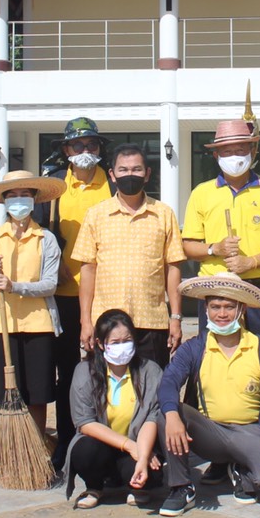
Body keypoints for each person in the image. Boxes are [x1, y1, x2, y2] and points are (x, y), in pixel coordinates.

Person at [158, 274, 260, 516]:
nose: (222, 314)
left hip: (250, 432)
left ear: (241, 309)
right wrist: (172, 416)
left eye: (229, 307)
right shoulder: (195, 347)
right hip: (208, 432)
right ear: (206, 310)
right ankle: (181, 487)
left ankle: (244, 471)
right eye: (215, 307)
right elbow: (168, 381)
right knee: (167, 413)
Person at [70, 144, 186, 368]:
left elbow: (172, 268)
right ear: (112, 175)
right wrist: (85, 320)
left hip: (151, 322)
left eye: (136, 169)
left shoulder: (163, 214)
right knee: (107, 394)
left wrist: (176, 317)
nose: (129, 175)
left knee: (152, 392)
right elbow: (88, 270)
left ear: (147, 174)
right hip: (106, 323)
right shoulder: (96, 215)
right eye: (123, 170)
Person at [0, 169, 66, 440]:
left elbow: (50, 283)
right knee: (8, 393)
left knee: (38, 393)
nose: (18, 200)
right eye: (12, 195)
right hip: (3, 324)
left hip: (39, 324)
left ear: (34, 199)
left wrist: (16, 286)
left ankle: (36, 446)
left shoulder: (46, 239)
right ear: (3, 202)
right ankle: (12, 446)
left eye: (24, 194)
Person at [181, 118, 260, 341]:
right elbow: (188, 247)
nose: (234, 157)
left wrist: (251, 262)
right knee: (212, 359)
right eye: (227, 151)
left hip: (257, 289)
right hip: (216, 290)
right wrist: (215, 249)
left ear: (252, 151)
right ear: (216, 156)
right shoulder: (201, 193)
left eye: (240, 150)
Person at [44, 117, 113, 473]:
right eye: (78, 146)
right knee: (66, 372)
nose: (85, 152)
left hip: (105, 294)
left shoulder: (113, 184)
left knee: (105, 367)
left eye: (91, 145)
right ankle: (66, 437)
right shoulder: (53, 187)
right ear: (66, 150)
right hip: (61, 294)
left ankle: (106, 435)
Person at [66, 308, 164, 508]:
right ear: (101, 344)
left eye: (127, 340)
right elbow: (85, 422)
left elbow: (151, 417)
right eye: (115, 342)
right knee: (85, 451)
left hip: (136, 447)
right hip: (105, 446)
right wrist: (129, 445)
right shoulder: (85, 372)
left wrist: (143, 454)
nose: (123, 347)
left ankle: (136, 486)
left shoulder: (150, 371)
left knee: (153, 471)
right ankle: (94, 487)